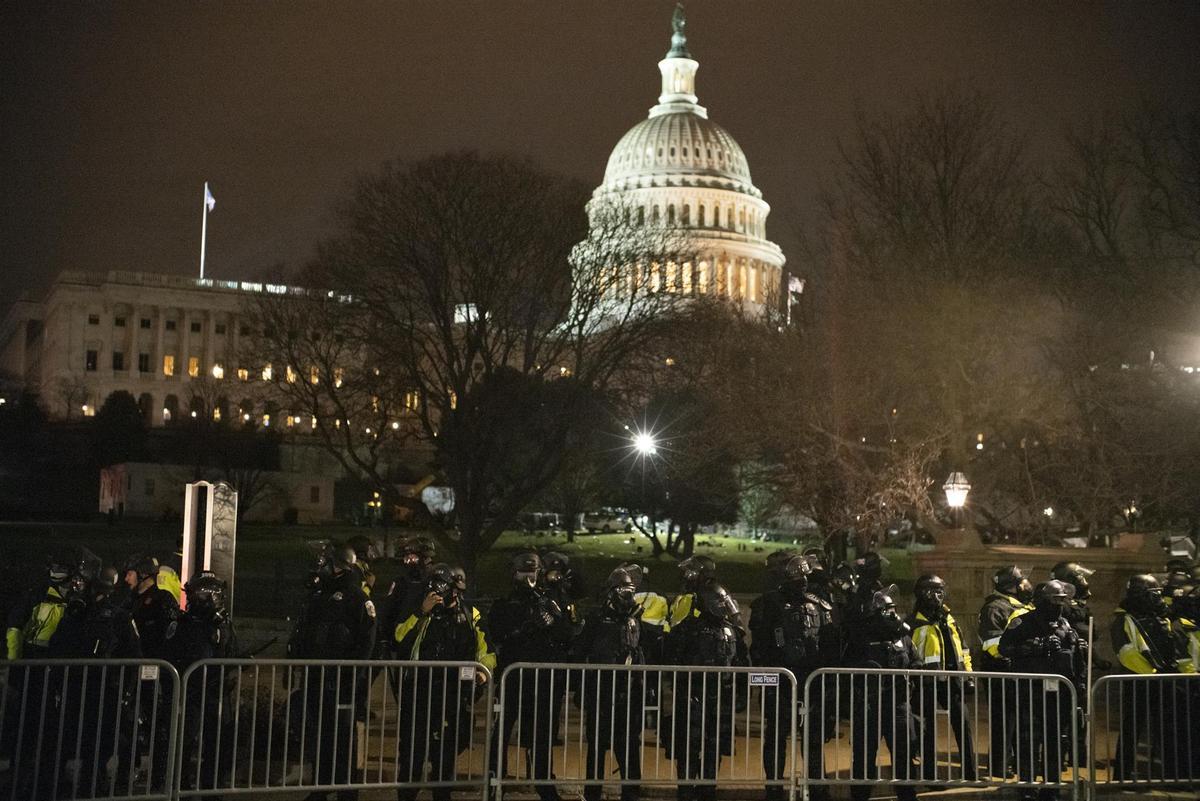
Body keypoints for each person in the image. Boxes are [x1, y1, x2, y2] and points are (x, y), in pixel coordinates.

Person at [393, 562, 494, 801]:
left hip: (453, 694)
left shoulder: (471, 614)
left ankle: (442, 795)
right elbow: (400, 638)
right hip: (420, 691)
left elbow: (486, 652)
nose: (437, 591)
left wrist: (481, 675)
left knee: (446, 754)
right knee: (412, 753)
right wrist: (421, 612)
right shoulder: (423, 610)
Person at [290, 542, 377, 801]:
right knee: (320, 737)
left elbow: (367, 641)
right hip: (318, 679)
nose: (321, 567)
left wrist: (353, 677)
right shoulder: (319, 596)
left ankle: (346, 792)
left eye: (327, 562)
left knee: (343, 740)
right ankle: (321, 786)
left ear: (339, 567)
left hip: (342, 681)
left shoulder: (356, 598)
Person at [45, 566, 141, 798]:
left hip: (102, 687)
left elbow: (133, 653)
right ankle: (66, 785)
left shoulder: (116, 616)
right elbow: (58, 647)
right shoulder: (78, 614)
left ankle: (91, 784)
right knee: (70, 738)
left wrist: (126, 689)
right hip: (77, 686)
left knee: (98, 741)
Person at [749, 554, 836, 801]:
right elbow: (759, 646)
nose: (803, 581)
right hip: (781, 681)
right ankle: (774, 788)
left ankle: (817, 787)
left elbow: (830, 643)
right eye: (798, 576)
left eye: (805, 576)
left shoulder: (819, 604)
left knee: (813, 739)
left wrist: (827, 683)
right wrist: (765, 678)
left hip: (812, 682)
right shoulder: (767, 603)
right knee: (776, 737)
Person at [488, 552, 573, 801]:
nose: (529, 578)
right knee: (501, 731)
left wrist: (554, 621)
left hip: (542, 679)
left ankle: (543, 782)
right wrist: (524, 627)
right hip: (512, 678)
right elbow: (497, 633)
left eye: (533, 573)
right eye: (524, 573)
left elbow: (568, 633)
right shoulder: (504, 604)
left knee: (542, 734)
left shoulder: (548, 600)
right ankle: (495, 781)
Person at [999, 580, 1085, 801]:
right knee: (1028, 740)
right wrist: (1033, 647)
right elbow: (1004, 648)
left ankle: (1051, 788)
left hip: (1059, 695)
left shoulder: (1065, 625)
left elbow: (1075, 660)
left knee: (1056, 742)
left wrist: (1080, 685)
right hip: (1030, 692)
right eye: (1054, 601)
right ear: (1042, 601)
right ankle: (1027, 787)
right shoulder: (1023, 623)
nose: (1058, 605)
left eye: (1061, 600)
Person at [663, 581, 746, 801]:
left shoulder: (731, 630)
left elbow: (742, 663)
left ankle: (708, 789)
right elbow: (671, 659)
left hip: (720, 696)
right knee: (689, 744)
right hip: (693, 694)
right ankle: (686, 790)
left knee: (714, 744)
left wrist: (742, 694)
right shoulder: (688, 629)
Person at [1109, 574, 1195, 782]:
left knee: (1168, 730)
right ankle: (1124, 776)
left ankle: (1172, 775)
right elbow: (1127, 653)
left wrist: (1187, 674)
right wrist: (1154, 674)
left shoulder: (1162, 618)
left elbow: (1176, 649)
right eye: (1153, 594)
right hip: (1138, 683)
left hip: (1165, 682)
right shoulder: (1124, 620)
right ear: (1140, 595)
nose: (1159, 598)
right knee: (1132, 730)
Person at [574, 568, 645, 801]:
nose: (629, 595)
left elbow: (639, 653)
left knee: (628, 749)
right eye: (625, 590)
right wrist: (579, 689)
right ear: (613, 592)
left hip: (627, 693)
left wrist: (645, 687)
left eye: (632, 590)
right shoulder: (596, 619)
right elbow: (580, 652)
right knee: (597, 748)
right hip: (600, 692)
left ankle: (631, 794)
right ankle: (592, 794)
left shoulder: (634, 619)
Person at [845, 588, 918, 801]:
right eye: (888, 610)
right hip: (868, 705)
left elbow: (916, 661)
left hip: (898, 704)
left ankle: (907, 795)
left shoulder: (902, 636)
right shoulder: (860, 638)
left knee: (904, 755)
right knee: (864, 757)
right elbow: (848, 666)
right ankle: (860, 796)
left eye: (893, 609)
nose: (893, 614)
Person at [173, 571, 239, 795]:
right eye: (205, 595)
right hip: (192, 692)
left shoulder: (223, 625)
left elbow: (232, 651)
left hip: (217, 691)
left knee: (218, 741)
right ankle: (180, 785)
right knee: (185, 739)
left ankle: (211, 786)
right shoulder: (185, 624)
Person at [908, 574, 977, 782]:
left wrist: (969, 676)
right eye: (933, 590)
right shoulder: (913, 623)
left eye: (940, 591)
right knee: (927, 731)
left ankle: (971, 774)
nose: (938, 595)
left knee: (963, 726)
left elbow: (963, 650)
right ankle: (930, 777)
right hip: (926, 683)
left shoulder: (949, 619)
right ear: (922, 593)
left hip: (953, 680)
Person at [977, 565, 1033, 779]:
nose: (1027, 585)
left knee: (1019, 720)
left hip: (1016, 670)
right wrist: (1020, 652)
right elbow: (992, 645)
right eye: (1022, 581)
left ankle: (1015, 762)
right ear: (1012, 586)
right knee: (1004, 721)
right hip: (1001, 671)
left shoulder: (1017, 605)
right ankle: (998, 765)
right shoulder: (995, 608)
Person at [377, 535, 436, 657]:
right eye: (406, 558)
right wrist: (385, 641)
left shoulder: (436, 581)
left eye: (412, 558)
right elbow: (387, 611)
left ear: (425, 558)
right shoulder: (401, 583)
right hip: (403, 642)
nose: (408, 561)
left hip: (430, 645)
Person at [123, 554, 180, 661]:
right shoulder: (130, 600)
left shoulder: (162, 599)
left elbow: (170, 635)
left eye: (129, 574)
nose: (126, 579)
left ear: (143, 574)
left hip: (155, 660)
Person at [669, 555, 717, 628]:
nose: (687, 574)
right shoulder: (689, 592)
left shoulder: (711, 592)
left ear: (703, 573)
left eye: (693, 571)